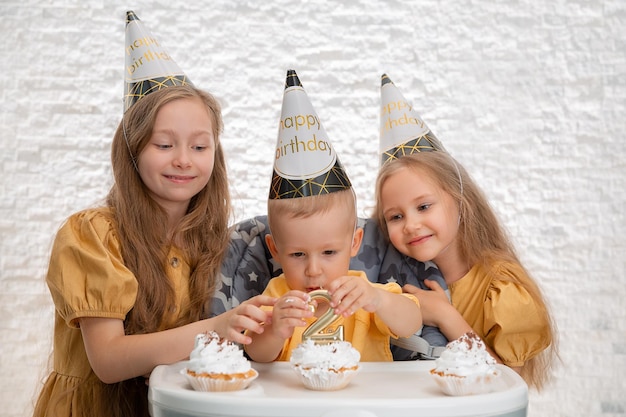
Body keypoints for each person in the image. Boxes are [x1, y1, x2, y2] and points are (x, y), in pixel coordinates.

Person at [33, 12, 275, 417]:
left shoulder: (215, 240)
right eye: (164, 144)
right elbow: (108, 361)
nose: (183, 160)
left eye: (200, 147)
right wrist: (217, 329)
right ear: (131, 151)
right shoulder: (92, 235)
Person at [373, 74, 557, 389]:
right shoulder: (395, 275)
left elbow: (508, 386)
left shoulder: (500, 287)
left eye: (424, 206)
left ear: (461, 202)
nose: (411, 224)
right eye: (395, 216)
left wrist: (446, 316)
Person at [243, 70, 423, 363]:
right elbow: (257, 354)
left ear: (355, 243)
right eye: (298, 254)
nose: (314, 270)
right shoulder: (276, 296)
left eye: (329, 252)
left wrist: (378, 300)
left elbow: (412, 322)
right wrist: (275, 329)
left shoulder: (363, 290)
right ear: (275, 250)